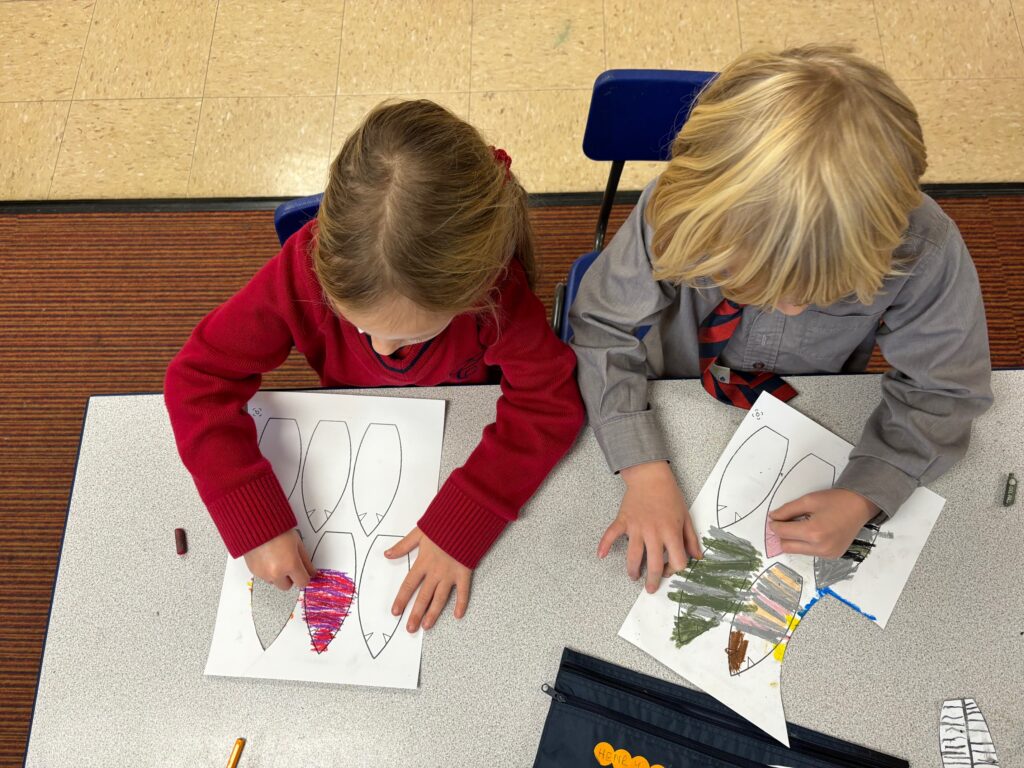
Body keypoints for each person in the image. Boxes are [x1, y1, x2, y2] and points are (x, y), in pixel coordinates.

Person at [569, 45, 993, 593]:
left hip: (810, 402)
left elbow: (947, 391)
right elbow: (604, 327)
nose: (791, 308)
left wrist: (864, 493)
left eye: (825, 293)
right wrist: (642, 466)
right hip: (675, 384)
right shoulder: (685, 205)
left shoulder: (922, 249)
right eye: (750, 282)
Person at [165, 100, 584, 632]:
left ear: (474, 293)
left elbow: (550, 405)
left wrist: (467, 515)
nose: (383, 351)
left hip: (455, 425)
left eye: (411, 335)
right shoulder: (303, 270)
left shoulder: (499, 297)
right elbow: (197, 378)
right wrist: (252, 519)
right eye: (358, 324)